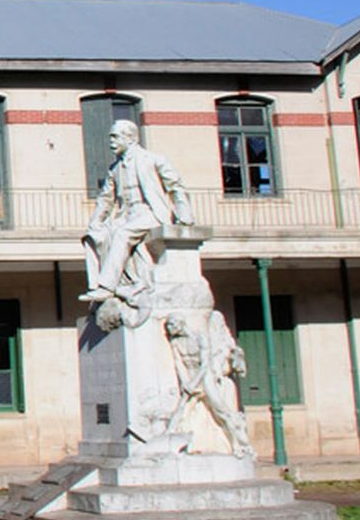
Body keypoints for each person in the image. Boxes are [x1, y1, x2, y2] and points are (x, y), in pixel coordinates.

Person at [79, 120, 193, 305]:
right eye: (111, 138)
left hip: (149, 212)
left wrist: (184, 214)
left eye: (115, 137)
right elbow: (106, 199)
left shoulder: (153, 160)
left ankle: (106, 287)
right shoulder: (114, 169)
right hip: (126, 214)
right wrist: (96, 222)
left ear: (130, 138)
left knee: (122, 233)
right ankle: (95, 287)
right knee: (93, 236)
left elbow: (176, 186)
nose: (111, 142)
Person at [163, 311, 255, 458]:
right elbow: (179, 364)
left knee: (221, 412)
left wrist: (194, 383)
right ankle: (172, 445)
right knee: (182, 412)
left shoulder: (200, 338)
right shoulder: (176, 342)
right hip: (190, 379)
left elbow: (205, 364)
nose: (169, 328)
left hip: (205, 379)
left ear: (181, 324)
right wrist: (185, 383)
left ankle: (237, 444)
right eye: (167, 325)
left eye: (172, 324)